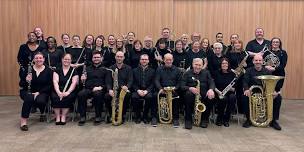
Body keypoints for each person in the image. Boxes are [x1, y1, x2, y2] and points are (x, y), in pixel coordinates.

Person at [19, 52, 53, 131]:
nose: (38, 60)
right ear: (34, 59)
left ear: (44, 59)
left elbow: (50, 85)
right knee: (29, 97)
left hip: (42, 92)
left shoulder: (48, 70)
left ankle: (42, 112)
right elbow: (21, 84)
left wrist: (39, 92)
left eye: (40, 58)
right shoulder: (28, 69)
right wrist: (26, 80)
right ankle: (23, 122)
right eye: (36, 58)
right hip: (27, 90)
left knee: (40, 100)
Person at [181, 58, 215, 129]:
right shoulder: (187, 73)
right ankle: (188, 120)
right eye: (196, 64)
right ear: (193, 64)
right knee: (188, 95)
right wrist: (190, 88)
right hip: (191, 95)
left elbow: (211, 82)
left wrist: (211, 89)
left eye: (200, 65)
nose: (198, 67)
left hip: (203, 94)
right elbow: (182, 86)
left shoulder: (206, 72)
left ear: (202, 65)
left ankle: (204, 120)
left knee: (211, 97)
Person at [262, 37, 288, 130]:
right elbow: (263, 63)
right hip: (267, 76)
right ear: (271, 43)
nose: (275, 43)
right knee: (266, 96)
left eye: (277, 42)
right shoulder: (266, 52)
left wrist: (274, 68)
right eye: (274, 42)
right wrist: (266, 67)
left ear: (279, 43)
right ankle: (265, 116)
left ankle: (274, 120)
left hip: (278, 77)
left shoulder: (283, 53)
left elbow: (283, 65)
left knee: (277, 97)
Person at [77, 51, 108, 126]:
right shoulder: (87, 69)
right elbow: (83, 84)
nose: (96, 59)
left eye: (98, 57)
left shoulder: (105, 69)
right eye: (94, 57)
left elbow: (108, 82)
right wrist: (82, 80)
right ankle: (82, 116)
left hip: (100, 89)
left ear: (101, 58)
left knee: (97, 94)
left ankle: (98, 116)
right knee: (81, 94)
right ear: (92, 58)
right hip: (89, 88)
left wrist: (100, 87)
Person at [242, 54, 271, 128]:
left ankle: (272, 120)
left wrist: (274, 92)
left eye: (259, 60)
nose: (258, 62)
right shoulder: (248, 70)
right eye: (256, 60)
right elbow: (245, 81)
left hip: (264, 92)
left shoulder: (267, 71)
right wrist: (246, 89)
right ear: (253, 61)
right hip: (252, 92)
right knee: (244, 97)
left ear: (263, 61)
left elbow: (270, 83)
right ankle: (249, 119)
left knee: (278, 98)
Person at [154, 53, 182, 127]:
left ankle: (175, 118)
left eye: (170, 60)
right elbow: (156, 80)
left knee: (176, 98)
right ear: (164, 60)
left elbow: (179, 82)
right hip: (162, 90)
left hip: (173, 91)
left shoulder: (177, 70)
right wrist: (160, 88)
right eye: (167, 60)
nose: (168, 61)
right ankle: (154, 117)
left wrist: (175, 88)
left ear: (172, 60)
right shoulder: (159, 69)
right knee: (154, 96)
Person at [105, 51, 133, 124]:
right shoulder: (111, 68)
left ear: (124, 58)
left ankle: (122, 115)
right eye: (118, 56)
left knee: (127, 95)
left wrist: (127, 87)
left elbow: (130, 80)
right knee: (107, 96)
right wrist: (109, 90)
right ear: (115, 57)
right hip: (113, 90)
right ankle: (112, 114)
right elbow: (108, 81)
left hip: (123, 90)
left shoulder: (128, 68)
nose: (119, 58)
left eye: (121, 57)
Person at [51, 53, 79, 125]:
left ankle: (63, 116)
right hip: (57, 89)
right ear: (62, 60)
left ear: (71, 60)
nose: (66, 60)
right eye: (65, 59)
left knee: (67, 97)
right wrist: (58, 92)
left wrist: (68, 92)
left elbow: (74, 83)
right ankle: (57, 116)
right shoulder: (57, 70)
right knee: (55, 97)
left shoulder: (74, 70)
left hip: (70, 89)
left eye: (68, 59)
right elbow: (55, 81)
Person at [131, 54, 155, 124]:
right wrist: (138, 90)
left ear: (148, 61)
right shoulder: (134, 70)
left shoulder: (153, 71)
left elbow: (153, 83)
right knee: (134, 97)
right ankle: (137, 115)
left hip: (148, 90)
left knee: (150, 97)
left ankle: (145, 115)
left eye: (145, 59)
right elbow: (133, 82)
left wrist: (147, 91)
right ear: (140, 60)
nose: (144, 61)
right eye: (142, 59)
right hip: (137, 90)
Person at [213, 58, 236, 127]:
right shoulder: (216, 73)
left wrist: (232, 89)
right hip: (218, 93)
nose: (224, 65)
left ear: (228, 64)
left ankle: (226, 118)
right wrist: (217, 91)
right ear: (220, 64)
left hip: (229, 93)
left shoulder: (232, 74)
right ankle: (219, 118)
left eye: (226, 63)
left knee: (232, 97)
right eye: (223, 63)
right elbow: (213, 84)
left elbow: (235, 87)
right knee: (223, 99)